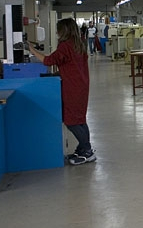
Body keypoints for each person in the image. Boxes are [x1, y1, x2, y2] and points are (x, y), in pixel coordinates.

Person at [28, 18, 95, 165]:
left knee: (71, 121)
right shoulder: (79, 44)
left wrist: (31, 50)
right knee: (80, 119)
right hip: (81, 85)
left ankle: (88, 150)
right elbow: (73, 66)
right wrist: (59, 74)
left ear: (63, 31)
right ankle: (83, 148)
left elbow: (48, 61)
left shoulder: (65, 46)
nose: (57, 33)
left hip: (72, 88)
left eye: (58, 30)